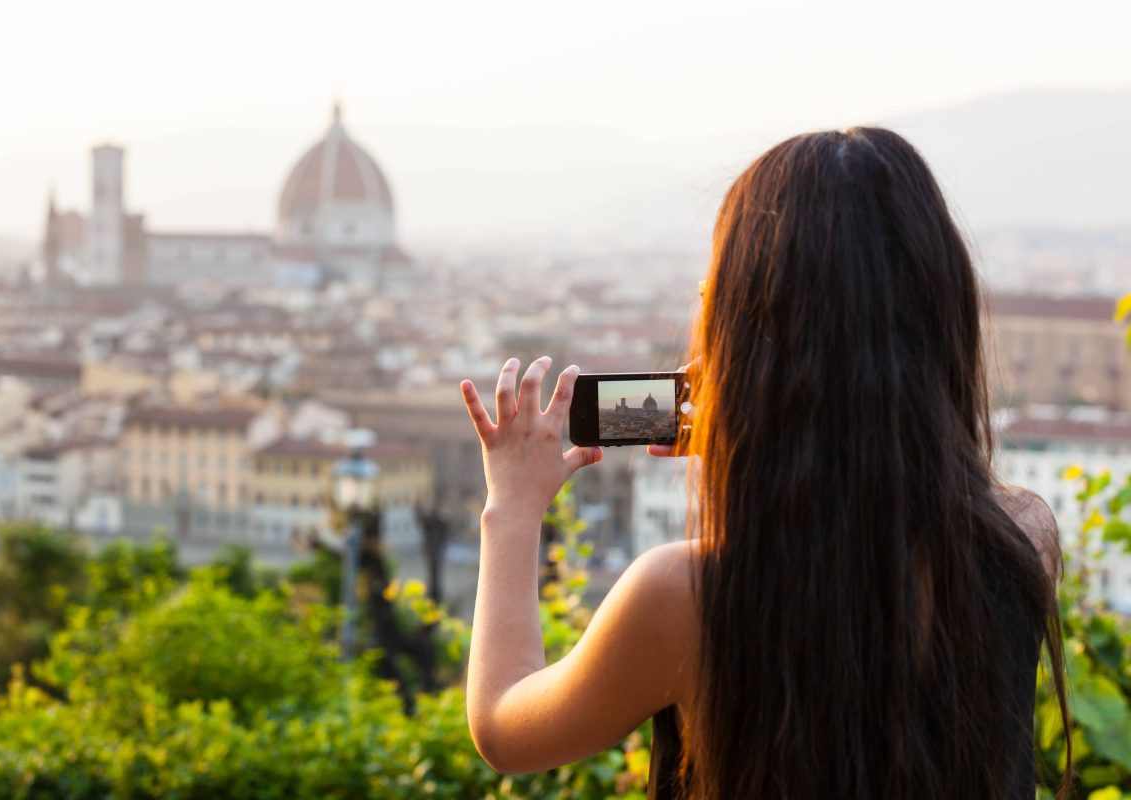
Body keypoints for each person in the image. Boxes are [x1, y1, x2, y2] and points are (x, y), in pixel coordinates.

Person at [458, 127, 1070, 800]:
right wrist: (762, 434)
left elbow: (504, 725)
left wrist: (511, 507)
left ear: (737, 338)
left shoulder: (684, 598)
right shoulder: (1022, 540)